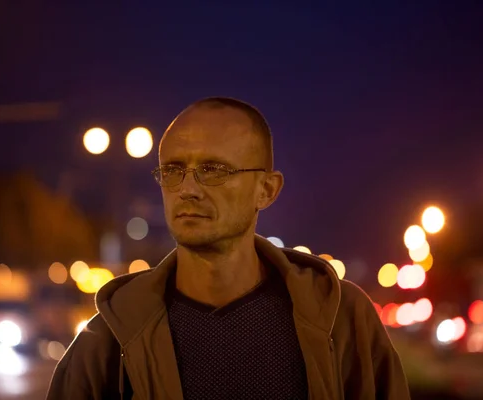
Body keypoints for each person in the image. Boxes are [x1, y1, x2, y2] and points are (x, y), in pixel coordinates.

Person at [46, 97, 410, 400]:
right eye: (173, 170)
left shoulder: (341, 319)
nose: (187, 188)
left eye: (213, 169)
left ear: (266, 189)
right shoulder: (110, 339)